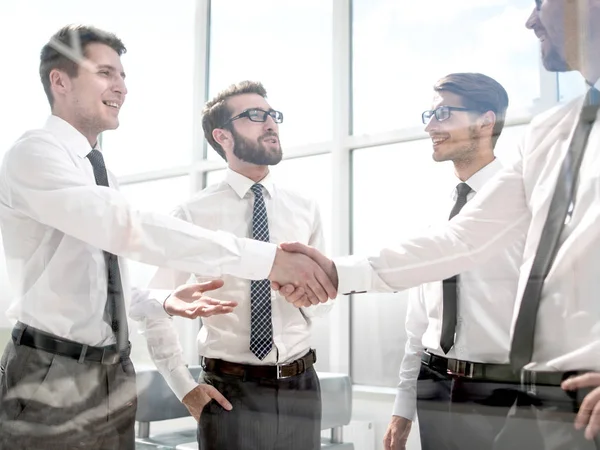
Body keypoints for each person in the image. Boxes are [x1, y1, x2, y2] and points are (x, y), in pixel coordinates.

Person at [278, 3, 600, 448]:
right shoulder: (550, 134)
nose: (530, 19)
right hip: (502, 395)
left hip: (530, 390)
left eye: (540, 3)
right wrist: (336, 272)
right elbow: (461, 243)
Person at [0, 25, 335, 450]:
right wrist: (267, 260)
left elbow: (99, 285)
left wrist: (161, 300)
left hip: (112, 371)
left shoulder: (99, 171)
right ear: (60, 80)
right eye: (106, 73)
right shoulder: (35, 153)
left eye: (122, 76)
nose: (121, 87)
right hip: (54, 368)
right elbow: (126, 225)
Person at [130, 80, 333, 450]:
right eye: (255, 115)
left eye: (273, 115)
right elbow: (154, 305)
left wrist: (312, 297)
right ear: (222, 135)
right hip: (229, 393)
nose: (270, 123)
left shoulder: (306, 207)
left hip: (302, 386)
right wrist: (184, 387)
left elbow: (327, 293)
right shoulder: (191, 214)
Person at [382, 72, 525, 450]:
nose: (430, 125)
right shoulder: (436, 210)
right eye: (429, 114)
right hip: (433, 383)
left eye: (444, 113)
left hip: (503, 392)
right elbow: (419, 319)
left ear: (485, 120)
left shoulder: (527, 202)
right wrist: (404, 406)